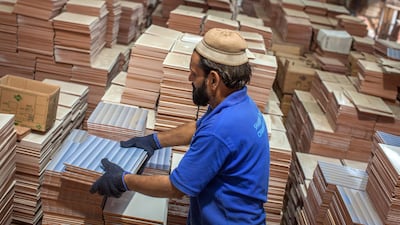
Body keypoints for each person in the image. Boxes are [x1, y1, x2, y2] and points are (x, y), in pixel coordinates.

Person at [90, 28, 270, 225]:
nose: (189, 79)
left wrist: (123, 180)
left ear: (213, 80)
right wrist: (154, 141)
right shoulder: (240, 104)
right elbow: (197, 127)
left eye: (194, 73)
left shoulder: (221, 129)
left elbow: (175, 188)